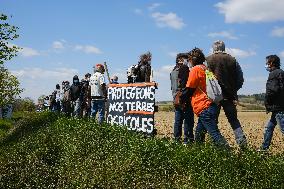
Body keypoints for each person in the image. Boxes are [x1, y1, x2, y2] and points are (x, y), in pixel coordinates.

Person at [183, 47, 229, 148]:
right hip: (213, 105)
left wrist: (181, 99)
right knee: (199, 135)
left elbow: (189, 89)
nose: (188, 62)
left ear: (192, 59)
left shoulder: (195, 70)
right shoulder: (206, 69)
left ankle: (229, 156)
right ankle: (198, 155)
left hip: (204, 107)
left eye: (189, 59)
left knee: (215, 134)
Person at [206, 40, 247, 148]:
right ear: (224, 48)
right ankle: (243, 144)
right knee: (234, 121)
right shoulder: (233, 60)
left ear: (213, 48)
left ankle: (216, 145)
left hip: (214, 97)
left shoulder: (208, 60)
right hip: (230, 96)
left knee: (213, 122)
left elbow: (205, 79)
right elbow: (240, 79)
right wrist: (234, 90)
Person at [259, 55, 284, 151]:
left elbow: (272, 91)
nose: (266, 65)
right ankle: (264, 149)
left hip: (278, 107)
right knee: (268, 128)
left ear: (272, 63)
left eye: (267, 63)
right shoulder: (281, 72)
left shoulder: (273, 74)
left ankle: (264, 150)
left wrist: (267, 103)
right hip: (278, 107)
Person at [170, 53, 194, 144]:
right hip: (184, 99)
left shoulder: (173, 70)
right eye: (186, 59)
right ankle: (187, 141)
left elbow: (173, 86)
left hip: (175, 98)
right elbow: (184, 86)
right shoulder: (184, 69)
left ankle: (176, 140)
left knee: (178, 120)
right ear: (180, 60)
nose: (187, 62)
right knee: (188, 120)